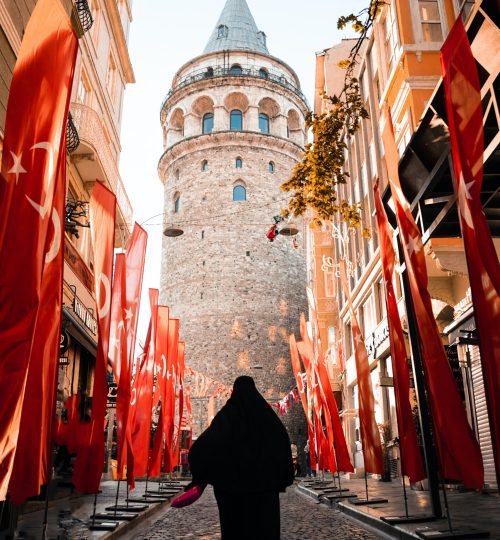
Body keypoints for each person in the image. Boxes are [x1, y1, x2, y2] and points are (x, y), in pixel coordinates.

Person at [188, 376, 294, 540]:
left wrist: (201, 474)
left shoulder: (227, 417)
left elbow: (203, 447)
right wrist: (282, 479)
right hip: (264, 494)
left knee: (235, 532)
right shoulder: (267, 418)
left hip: (231, 494)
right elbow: (282, 445)